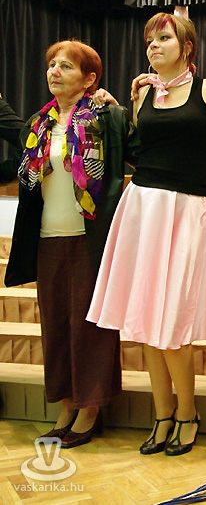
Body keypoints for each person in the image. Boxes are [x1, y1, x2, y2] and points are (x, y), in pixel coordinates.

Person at [86, 13, 206, 457]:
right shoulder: (143, 93)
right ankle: (163, 414)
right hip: (143, 206)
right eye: (150, 39)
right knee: (146, 321)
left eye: (164, 37)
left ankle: (188, 413)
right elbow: (140, 150)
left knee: (174, 322)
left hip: (187, 210)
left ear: (187, 46)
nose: (153, 45)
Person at [4, 41, 139, 448]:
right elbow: (21, 169)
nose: (55, 71)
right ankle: (67, 405)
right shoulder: (39, 124)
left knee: (89, 327)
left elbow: (143, 155)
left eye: (66, 66)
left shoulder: (106, 117)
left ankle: (90, 408)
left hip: (89, 239)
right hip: (47, 239)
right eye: (51, 64)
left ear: (89, 78)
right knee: (57, 327)